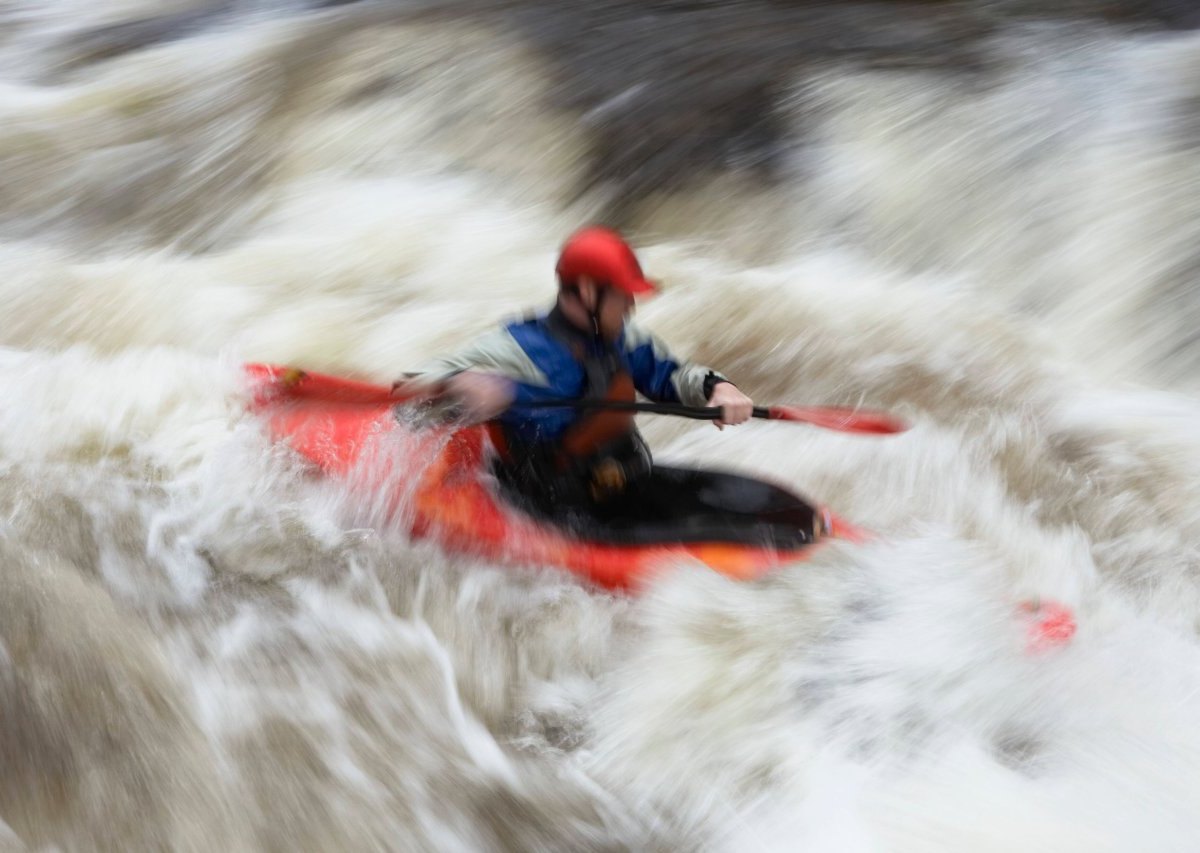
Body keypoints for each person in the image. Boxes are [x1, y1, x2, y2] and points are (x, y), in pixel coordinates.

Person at [395, 226, 821, 546]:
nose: (632, 304)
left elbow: (670, 376)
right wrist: (461, 388)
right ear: (585, 291)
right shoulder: (514, 350)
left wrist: (716, 388)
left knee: (761, 509)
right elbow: (406, 398)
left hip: (626, 482)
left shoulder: (623, 340)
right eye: (623, 295)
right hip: (558, 512)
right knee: (716, 535)